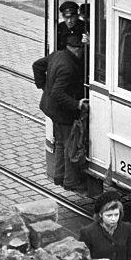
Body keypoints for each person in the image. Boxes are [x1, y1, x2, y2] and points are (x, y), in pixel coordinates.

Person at [36, 32, 88, 189]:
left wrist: (44, 86)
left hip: (50, 108)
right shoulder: (68, 67)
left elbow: (37, 65)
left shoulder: (57, 54)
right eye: (82, 49)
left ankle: (58, 175)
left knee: (59, 141)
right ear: (76, 49)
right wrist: (77, 104)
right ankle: (70, 181)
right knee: (69, 145)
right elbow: (58, 93)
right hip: (61, 112)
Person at [79, 190, 131, 260]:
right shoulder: (88, 233)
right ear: (100, 215)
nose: (113, 219)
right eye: (109, 215)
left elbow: (128, 257)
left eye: (116, 214)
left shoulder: (126, 228)